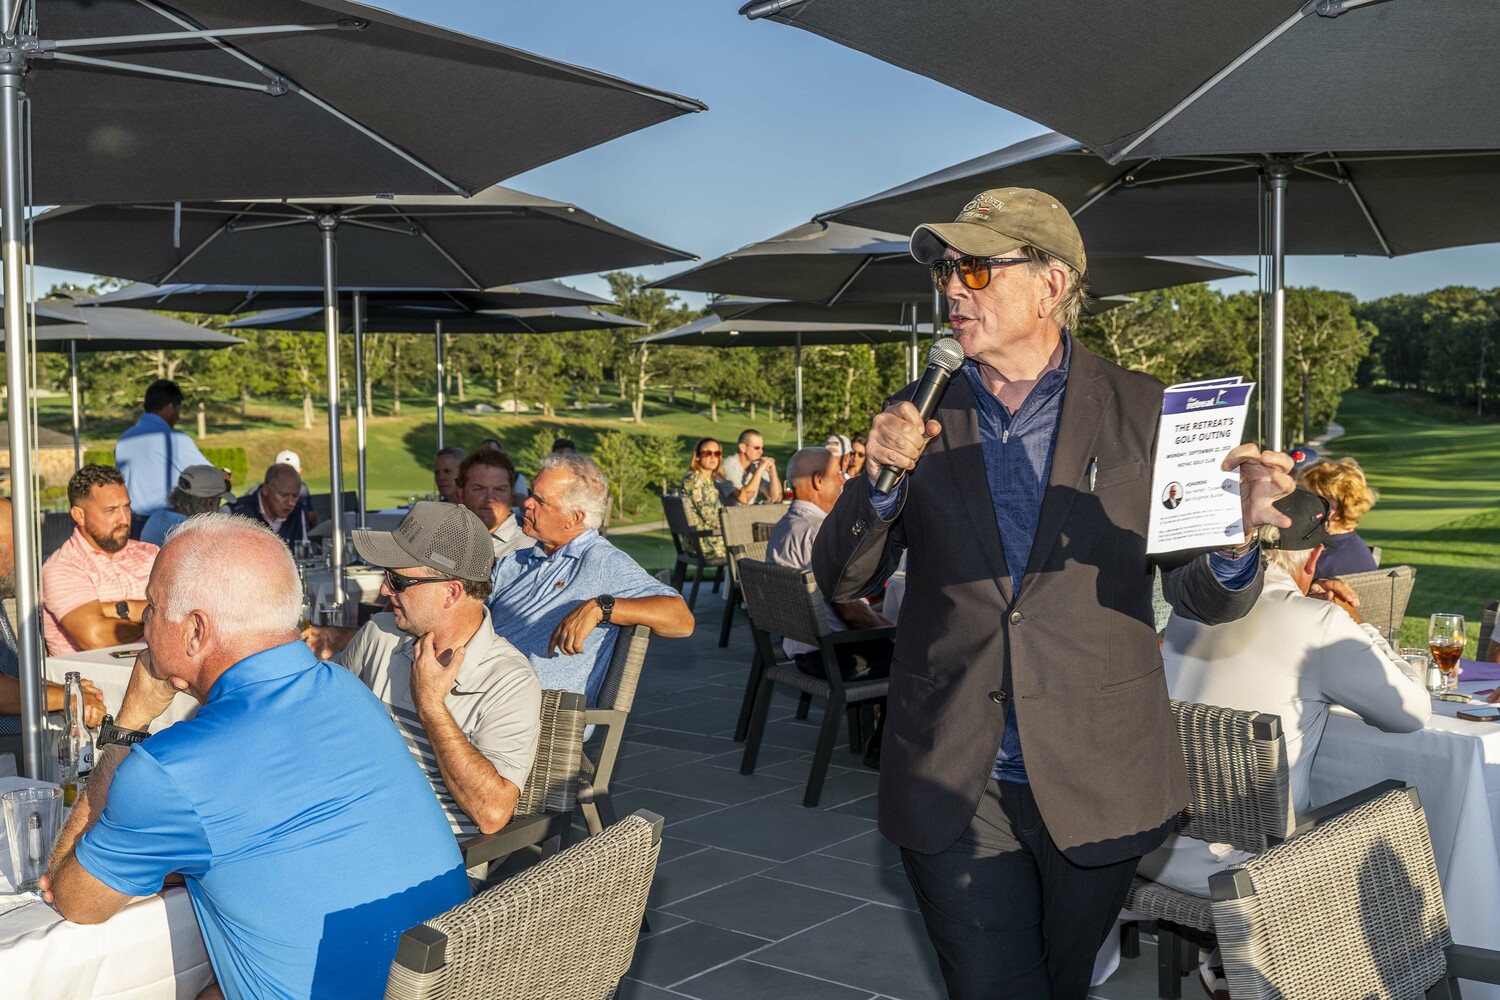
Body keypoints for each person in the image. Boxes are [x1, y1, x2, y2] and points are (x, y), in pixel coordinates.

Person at [811, 186, 1296, 1000]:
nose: (953, 288)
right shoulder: (916, 411)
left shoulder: (1147, 410)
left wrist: (1234, 537)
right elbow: (843, 578)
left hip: (1098, 772)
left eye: (975, 268)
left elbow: (1205, 598)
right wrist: (880, 482)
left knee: (1060, 982)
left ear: (1052, 284)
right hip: (954, 767)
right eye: (944, 271)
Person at [41, 514, 470, 1000]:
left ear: (196, 631)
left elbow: (74, 899)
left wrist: (128, 725)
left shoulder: (170, 771)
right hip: (448, 981)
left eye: (153, 609)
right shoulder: (349, 692)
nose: (145, 625)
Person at [1136, 487, 1429, 997]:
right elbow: (1411, 713)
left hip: (1149, 847)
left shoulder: (1189, 609)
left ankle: (1230, 964)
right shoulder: (1318, 622)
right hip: (1249, 870)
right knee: (1401, 820)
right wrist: (1358, 626)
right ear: (1314, 558)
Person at [320, 502, 540, 838]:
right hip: (343, 823)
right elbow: (321, 712)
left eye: (397, 580)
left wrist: (432, 707)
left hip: (424, 852)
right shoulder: (380, 632)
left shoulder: (510, 680)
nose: (384, 590)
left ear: (451, 592)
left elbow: (492, 813)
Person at [489, 453, 693, 702]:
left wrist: (601, 608)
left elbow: (681, 619)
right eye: (531, 493)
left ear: (574, 517)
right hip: (482, 691)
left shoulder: (601, 561)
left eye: (540, 500)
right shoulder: (516, 561)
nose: (527, 503)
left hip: (532, 711)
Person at [769, 447, 890, 767]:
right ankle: (886, 746)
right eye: (838, 474)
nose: (844, 480)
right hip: (831, 657)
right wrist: (892, 631)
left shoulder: (784, 526)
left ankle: (876, 728)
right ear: (818, 480)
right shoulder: (821, 532)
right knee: (916, 657)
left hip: (802, 646)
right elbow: (848, 611)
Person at [0, 497, 105, 740]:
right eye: (18, 544)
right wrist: (67, 697)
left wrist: (64, 690)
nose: (26, 556)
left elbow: (10, 677)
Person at [42, 466, 158, 655]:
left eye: (127, 507)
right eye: (110, 510)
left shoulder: (151, 553)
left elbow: (186, 609)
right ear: (79, 515)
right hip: (92, 672)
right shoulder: (62, 567)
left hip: (155, 666)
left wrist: (121, 610)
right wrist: (158, 619)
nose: (124, 519)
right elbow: (97, 638)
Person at [113, 379, 211, 520]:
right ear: (170, 407)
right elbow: (210, 477)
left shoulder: (123, 439)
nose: (178, 417)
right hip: (165, 522)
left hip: (130, 522)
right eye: (178, 410)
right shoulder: (174, 439)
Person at [1297, 457, 1380, 576]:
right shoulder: (1354, 547)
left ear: (1335, 507)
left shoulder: (1317, 561)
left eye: (1309, 499)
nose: (1300, 505)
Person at [457, 448, 528, 559]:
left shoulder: (531, 547)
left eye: (499, 490)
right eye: (479, 489)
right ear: (461, 494)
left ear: (511, 494)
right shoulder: (443, 538)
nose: (490, 498)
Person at [140, 466, 235, 547]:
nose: (218, 507)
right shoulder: (195, 533)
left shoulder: (156, 516)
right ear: (210, 503)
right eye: (218, 502)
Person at [228, 463, 312, 545]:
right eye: (283, 495)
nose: (290, 502)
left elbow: (304, 550)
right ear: (266, 490)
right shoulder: (234, 512)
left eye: (295, 496)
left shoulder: (298, 513)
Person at [679, 438, 728, 561]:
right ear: (697, 456)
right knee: (749, 547)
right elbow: (711, 518)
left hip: (705, 540)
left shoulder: (708, 480)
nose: (713, 457)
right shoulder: (694, 480)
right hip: (705, 544)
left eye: (717, 453)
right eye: (707, 453)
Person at [718, 429, 782, 505]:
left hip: (749, 511)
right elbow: (744, 499)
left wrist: (773, 473)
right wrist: (759, 471)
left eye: (762, 448)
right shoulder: (727, 466)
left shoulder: (756, 465)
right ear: (742, 448)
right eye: (757, 448)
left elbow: (776, 498)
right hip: (728, 511)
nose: (761, 452)